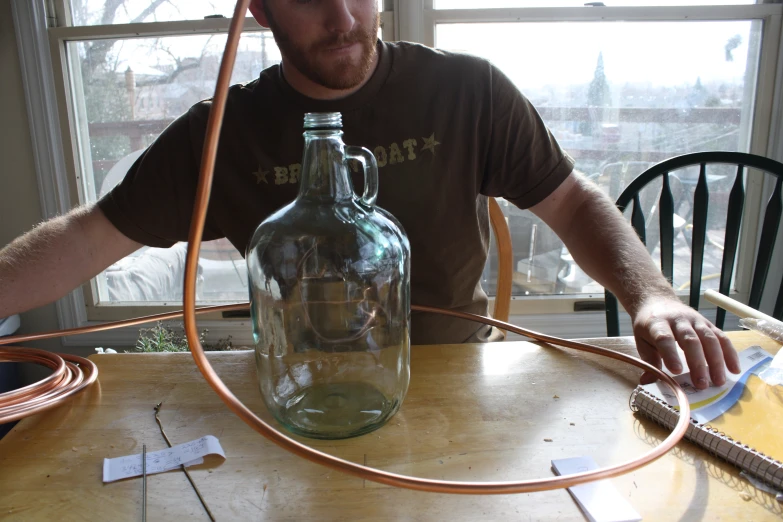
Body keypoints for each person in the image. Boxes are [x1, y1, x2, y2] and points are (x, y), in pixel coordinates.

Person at [0, 0, 740, 390]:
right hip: (297, 388)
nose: (344, 18)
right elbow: (93, 234)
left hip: (456, 378)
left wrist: (652, 295)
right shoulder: (220, 133)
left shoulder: (468, 90)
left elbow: (572, 201)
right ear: (256, 8)